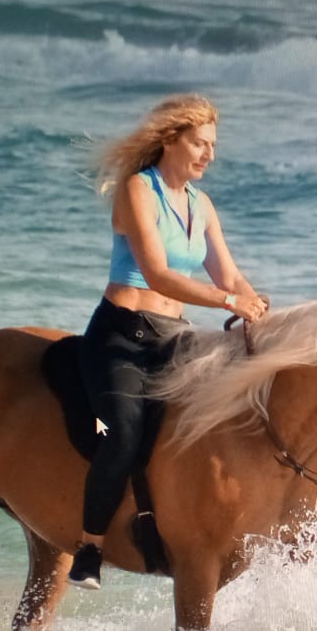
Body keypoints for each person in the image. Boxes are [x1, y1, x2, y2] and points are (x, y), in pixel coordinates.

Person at [69, 94, 269, 590]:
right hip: (120, 337)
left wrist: (260, 310)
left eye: (213, 145)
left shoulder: (201, 206)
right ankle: (89, 547)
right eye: (199, 143)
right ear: (169, 139)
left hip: (173, 338)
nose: (209, 154)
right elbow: (157, 275)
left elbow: (230, 274)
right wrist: (228, 302)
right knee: (121, 434)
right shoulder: (138, 190)